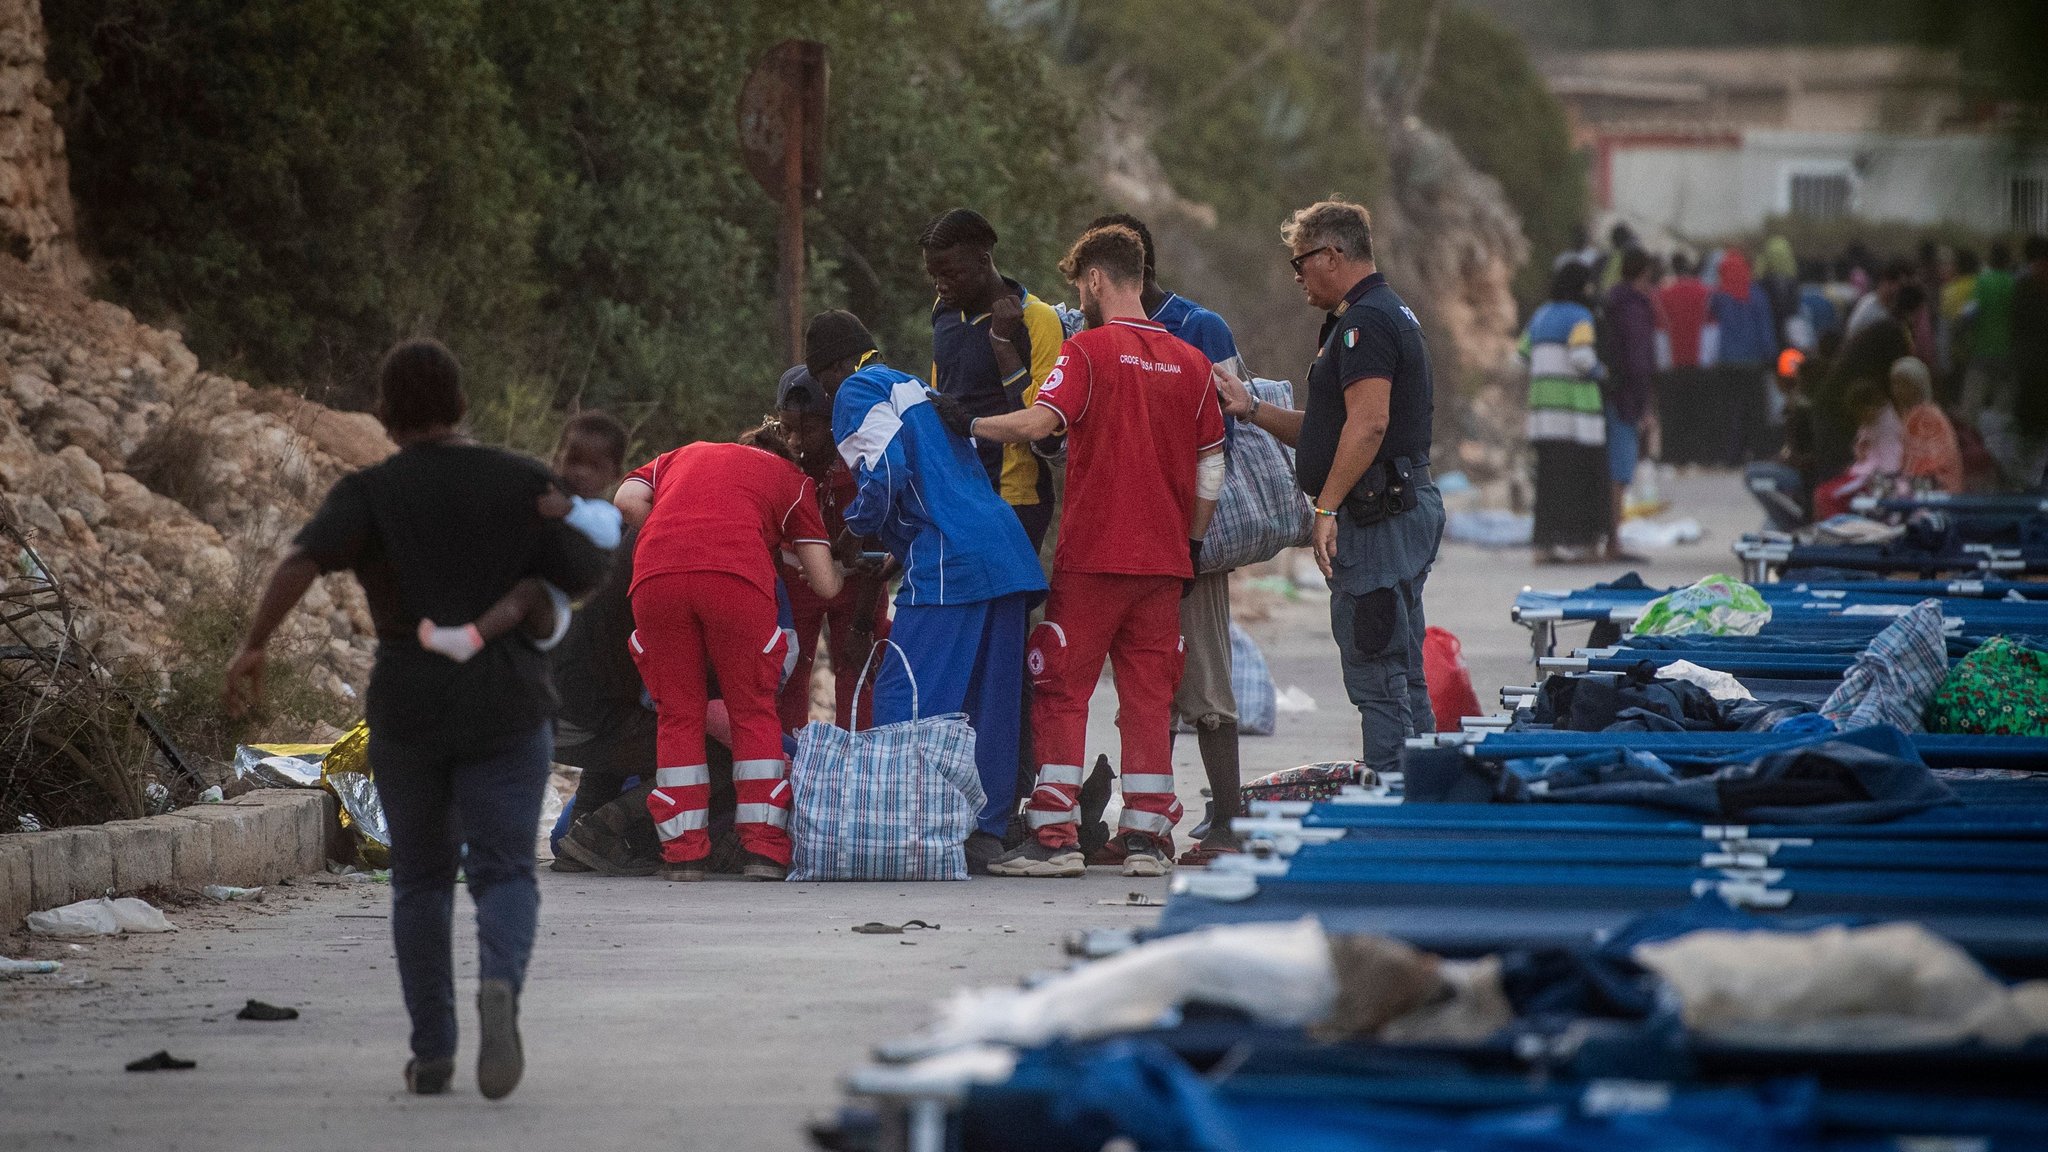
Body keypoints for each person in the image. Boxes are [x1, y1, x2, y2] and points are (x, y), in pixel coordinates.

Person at [223, 339, 609, 1099]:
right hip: (507, 704)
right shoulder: (522, 480)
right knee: (503, 871)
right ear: (462, 406)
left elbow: (301, 560)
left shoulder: (373, 489)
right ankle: (499, 984)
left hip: (409, 705)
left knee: (422, 881)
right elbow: (587, 573)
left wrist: (254, 645)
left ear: (385, 413)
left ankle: (433, 1048)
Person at [937, 224, 1224, 879]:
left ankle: (1055, 834)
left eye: (1080, 286)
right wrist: (1194, 541)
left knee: (1060, 688)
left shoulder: (1088, 352)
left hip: (1094, 556)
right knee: (1150, 698)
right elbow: (1213, 465)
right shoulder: (1192, 363)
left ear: (1096, 278)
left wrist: (970, 422)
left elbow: (1041, 422)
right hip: (1166, 562)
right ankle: (1148, 838)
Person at [803, 309, 1048, 871]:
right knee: (988, 703)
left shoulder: (855, 391)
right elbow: (936, 480)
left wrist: (850, 531)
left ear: (831, 371)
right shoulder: (912, 385)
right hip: (1001, 552)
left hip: (950, 561)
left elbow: (885, 474)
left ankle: (899, 821)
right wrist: (894, 549)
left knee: (904, 695)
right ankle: (984, 831)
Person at [1213, 200, 1443, 774]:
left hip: (1379, 516)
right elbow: (1328, 431)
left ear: (1333, 255)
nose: (1296, 277)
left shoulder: (1365, 325)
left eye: (1300, 263)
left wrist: (1326, 507)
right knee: (1399, 664)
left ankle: (1395, 805)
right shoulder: (1376, 316)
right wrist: (1253, 409)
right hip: (1395, 506)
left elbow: (1368, 425)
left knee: (1378, 666)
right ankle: (1422, 791)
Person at [1087, 211, 1249, 864]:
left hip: (1187, 542)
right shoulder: (1100, 332)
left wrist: (1190, 528)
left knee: (1205, 684)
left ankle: (1229, 825)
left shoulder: (1201, 329)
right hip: (1128, 542)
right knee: (1147, 686)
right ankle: (1147, 825)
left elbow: (1227, 432)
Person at [612, 428, 843, 883]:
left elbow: (625, 500)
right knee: (752, 711)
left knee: (677, 715)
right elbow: (826, 585)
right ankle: (764, 851)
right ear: (784, 454)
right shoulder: (793, 480)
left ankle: (683, 855)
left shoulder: (680, 454)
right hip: (735, 581)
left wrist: (678, 528)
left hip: (655, 578)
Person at [415, 412, 627, 663]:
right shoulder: (548, 489)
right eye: (573, 461)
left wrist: (570, 510)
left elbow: (609, 535)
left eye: (594, 467)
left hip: (557, 613)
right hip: (517, 592)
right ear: (557, 457)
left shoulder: (602, 511)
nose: (581, 472)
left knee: (527, 593)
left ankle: (467, 641)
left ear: (614, 475)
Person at [920, 208, 1068, 549]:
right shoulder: (943, 311)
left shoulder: (1038, 320)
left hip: (1012, 499)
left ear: (983, 261)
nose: (941, 286)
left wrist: (1002, 343)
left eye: (951, 274)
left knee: (1007, 604)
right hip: (957, 492)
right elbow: (941, 399)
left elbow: (1047, 434)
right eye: (934, 275)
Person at [770, 365, 892, 734]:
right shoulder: (776, 460)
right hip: (796, 578)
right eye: (786, 429)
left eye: (807, 430)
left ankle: (861, 763)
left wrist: (861, 624)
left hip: (859, 584)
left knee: (859, 671)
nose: (794, 441)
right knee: (788, 669)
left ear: (834, 425)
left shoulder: (861, 466)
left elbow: (877, 547)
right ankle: (787, 760)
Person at [1522, 262, 1606, 562]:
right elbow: (1582, 358)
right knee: (1578, 485)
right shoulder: (1580, 317)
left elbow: (1522, 355)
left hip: (1543, 417)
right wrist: (1602, 372)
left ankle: (1543, 547)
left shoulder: (1541, 315)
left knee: (1548, 486)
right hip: (1575, 417)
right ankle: (1582, 546)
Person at [1601, 247, 1659, 561]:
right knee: (1620, 470)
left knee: (1615, 466)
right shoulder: (1635, 308)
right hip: (1626, 398)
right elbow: (1638, 360)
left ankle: (1611, 535)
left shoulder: (1613, 301)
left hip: (1611, 393)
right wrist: (1645, 404)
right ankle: (1614, 538)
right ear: (1644, 273)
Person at [1704, 248, 1778, 462]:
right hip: (1754, 362)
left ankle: (1732, 453)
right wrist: (1770, 354)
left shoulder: (1718, 297)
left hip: (1726, 362)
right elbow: (1765, 328)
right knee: (1754, 408)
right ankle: (1757, 450)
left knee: (1730, 409)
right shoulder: (1757, 294)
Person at [1812, 380, 1906, 521]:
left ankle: (1842, 529)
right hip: (1863, 473)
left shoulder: (1887, 425)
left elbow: (1891, 462)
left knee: (1825, 496)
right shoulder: (1869, 424)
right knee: (1822, 493)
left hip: (1876, 478)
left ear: (1869, 407)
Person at [1961, 243, 2015, 424]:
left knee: (1972, 405)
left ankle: (1972, 443)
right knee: (2003, 407)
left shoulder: (1982, 282)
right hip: (2008, 353)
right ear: (2008, 261)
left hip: (1981, 351)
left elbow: (1969, 314)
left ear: (1990, 260)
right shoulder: (2014, 283)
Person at [1892, 356, 1963, 495]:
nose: (1898, 390)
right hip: (1915, 485)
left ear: (1918, 385)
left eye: (1904, 384)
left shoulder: (1928, 417)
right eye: (1894, 384)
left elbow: (1930, 465)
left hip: (1938, 490)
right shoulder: (1909, 415)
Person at [1846, 259, 1911, 340]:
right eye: (1892, 283)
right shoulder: (1874, 314)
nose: (1896, 288)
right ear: (1882, 282)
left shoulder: (1873, 300)